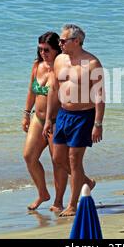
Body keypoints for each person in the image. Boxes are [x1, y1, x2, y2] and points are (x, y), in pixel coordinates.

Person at [43, 24, 105, 217]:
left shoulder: (92, 63)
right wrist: (47, 119)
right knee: (58, 158)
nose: (59, 43)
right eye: (60, 40)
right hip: (63, 114)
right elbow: (53, 90)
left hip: (83, 116)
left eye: (63, 40)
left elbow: (100, 97)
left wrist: (98, 124)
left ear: (76, 41)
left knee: (74, 159)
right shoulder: (60, 60)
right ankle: (86, 182)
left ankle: (72, 204)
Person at [22, 31, 64, 212]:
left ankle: (59, 201)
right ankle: (43, 193)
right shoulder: (37, 65)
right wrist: (25, 113)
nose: (43, 53)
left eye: (47, 50)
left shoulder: (61, 68)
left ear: (56, 50)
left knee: (58, 161)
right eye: (40, 49)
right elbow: (32, 91)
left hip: (57, 120)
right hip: (38, 118)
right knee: (29, 156)